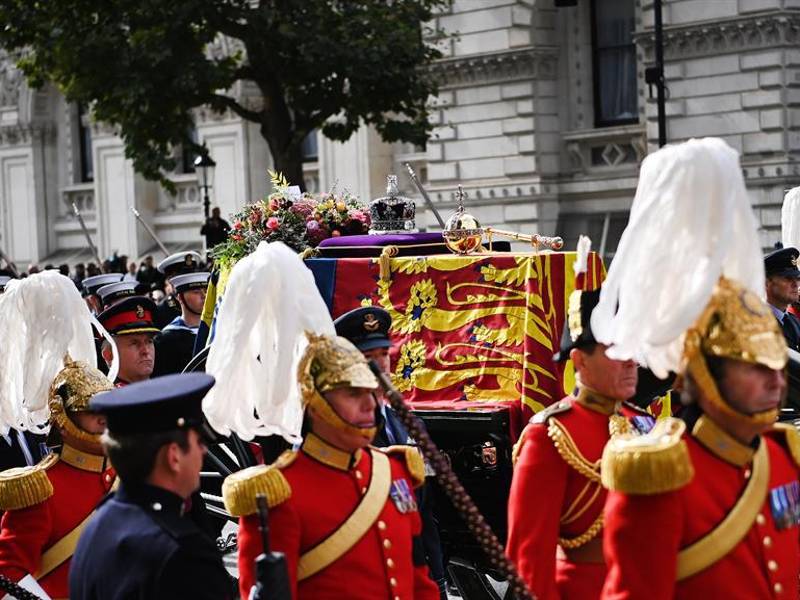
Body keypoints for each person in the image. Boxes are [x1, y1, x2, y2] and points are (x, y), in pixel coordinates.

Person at [589, 137, 800, 597]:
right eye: (754, 366)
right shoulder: (657, 477)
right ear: (707, 373)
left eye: (777, 365)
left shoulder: (784, 456)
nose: (776, 379)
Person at [223, 333, 440, 600]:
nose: (369, 405)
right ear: (314, 404)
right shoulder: (278, 496)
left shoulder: (394, 470)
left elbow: (418, 577)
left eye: (371, 392)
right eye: (352, 393)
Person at [505, 240, 639, 600]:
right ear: (579, 361)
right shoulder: (548, 435)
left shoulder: (643, 424)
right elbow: (529, 557)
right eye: (617, 351)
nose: (632, 361)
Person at [0, 271, 117, 599]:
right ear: (66, 416)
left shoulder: (126, 475)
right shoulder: (39, 491)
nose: (102, 420)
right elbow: (9, 576)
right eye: (90, 411)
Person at [70, 373, 233, 600]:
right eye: (198, 442)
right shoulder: (185, 554)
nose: (203, 452)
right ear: (174, 456)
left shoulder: (99, 524)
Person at [334, 305, 447, 598]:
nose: (381, 365)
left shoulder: (407, 420)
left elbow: (424, 506)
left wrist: (437, 576)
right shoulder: (336, 431)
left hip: (420, 566)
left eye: (383, 354)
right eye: (368, 358)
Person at [153, 272, 210, 376]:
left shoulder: (215, 330)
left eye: (206, 291)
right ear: (180, 297)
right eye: (196, 292)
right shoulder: (165, 340)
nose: (204, 296)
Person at [97, 296, 159, 386]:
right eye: (134, 343)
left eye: (149, 341)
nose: (146, 351)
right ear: (109, 355)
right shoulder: (108, 398)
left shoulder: (164, 391)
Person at [764, 246, 800, 351]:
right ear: (767, 282)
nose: (795, 284)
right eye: (788, 278)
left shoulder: (793, 320)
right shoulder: (758, 323)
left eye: (798, 278)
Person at [154, 251, 202, 329]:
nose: (189, 282)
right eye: (182, 279)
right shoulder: (162, 310)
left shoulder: (203, 302)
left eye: (192, 276)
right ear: (170, 280)